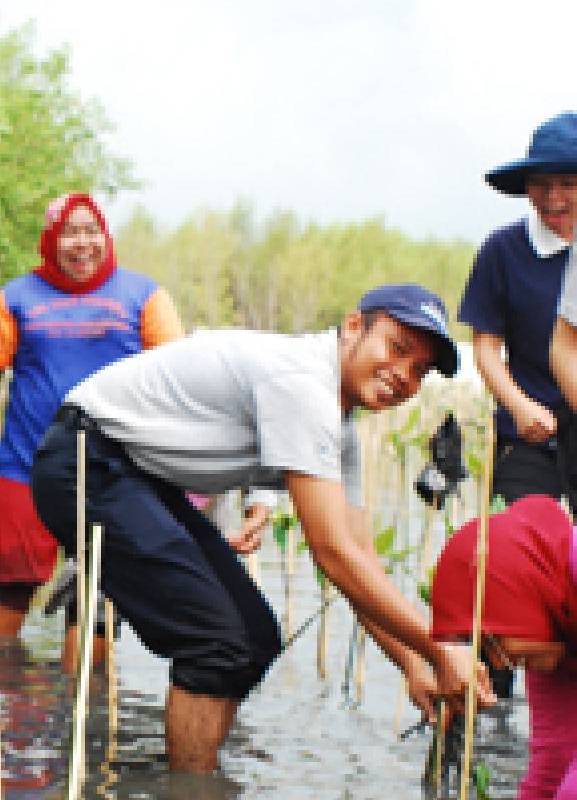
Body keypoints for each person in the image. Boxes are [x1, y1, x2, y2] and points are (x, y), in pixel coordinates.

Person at [30, 283, 495, 772]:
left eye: (419, 370)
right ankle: (193, 788)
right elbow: (333, 553)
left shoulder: (342, 429)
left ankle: (198, 772)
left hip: (138, 474)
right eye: (398, 349)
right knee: (214, 642)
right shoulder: (302, 382)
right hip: (85, 459)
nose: (403, 375)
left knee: (253, 638)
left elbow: (361, 560)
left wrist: (414, 666)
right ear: (354, 326)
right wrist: (441, 648)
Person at [0, 193, 186, 662]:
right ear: (50, 239)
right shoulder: (16, 297)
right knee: (11, 586)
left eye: (91, 230)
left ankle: (80, 707)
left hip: (112, 473)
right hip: (27, 466)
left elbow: (181, 371)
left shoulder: (144, 296)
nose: (82, 243)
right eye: (69, 231)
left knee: (99, 585)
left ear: (106, 236)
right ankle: (6, 703)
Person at [460, 112, 577, 510]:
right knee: (522, 549)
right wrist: (519, 406)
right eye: (540, 184)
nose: (553, 198)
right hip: (529, 432)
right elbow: (486, 347)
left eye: (567, 183)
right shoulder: (503, 249)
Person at [432, 495, 577, 800]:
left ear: (519, 599)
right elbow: (553, 762)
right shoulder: (549, 627)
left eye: (493, 641)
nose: (499, 663)